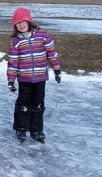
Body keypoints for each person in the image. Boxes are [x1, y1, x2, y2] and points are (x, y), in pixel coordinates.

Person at [7, 8, 61, 143]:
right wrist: (11, 81)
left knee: (38, 104)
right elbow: (13, 63)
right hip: (24, 79)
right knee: (23, 104)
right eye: (17, 24)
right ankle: (21, 128)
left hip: (40, 78)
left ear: (29, 21)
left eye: (23, 21)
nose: (21, 25)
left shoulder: (44, 35)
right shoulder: (16, 42)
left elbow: (52, 54)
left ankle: (36, 129)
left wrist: (57, 70)